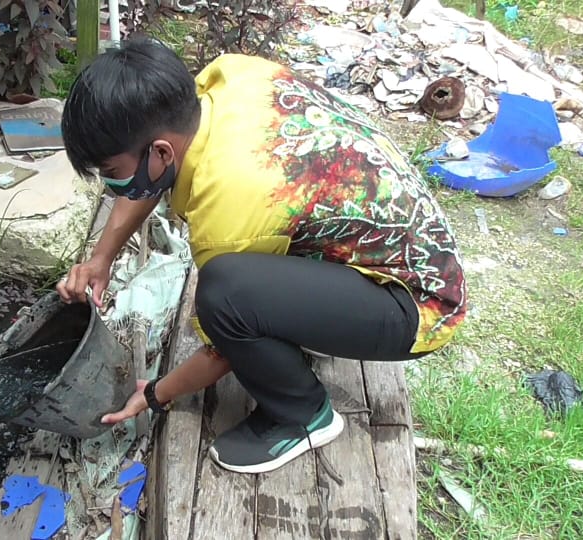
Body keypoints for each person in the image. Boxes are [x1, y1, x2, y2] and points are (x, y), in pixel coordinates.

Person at [56, 38, 467, 474]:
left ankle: (303, 415)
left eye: (112, 173)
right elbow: (151, 175)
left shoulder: (232, 203)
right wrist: (101, 259)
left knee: (224, 294)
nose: (112, 186)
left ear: (161, 151)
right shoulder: (226, 79)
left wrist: (156, 393)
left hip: (419, 306)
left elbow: (220, 349)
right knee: (237, 289)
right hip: (408, 248)